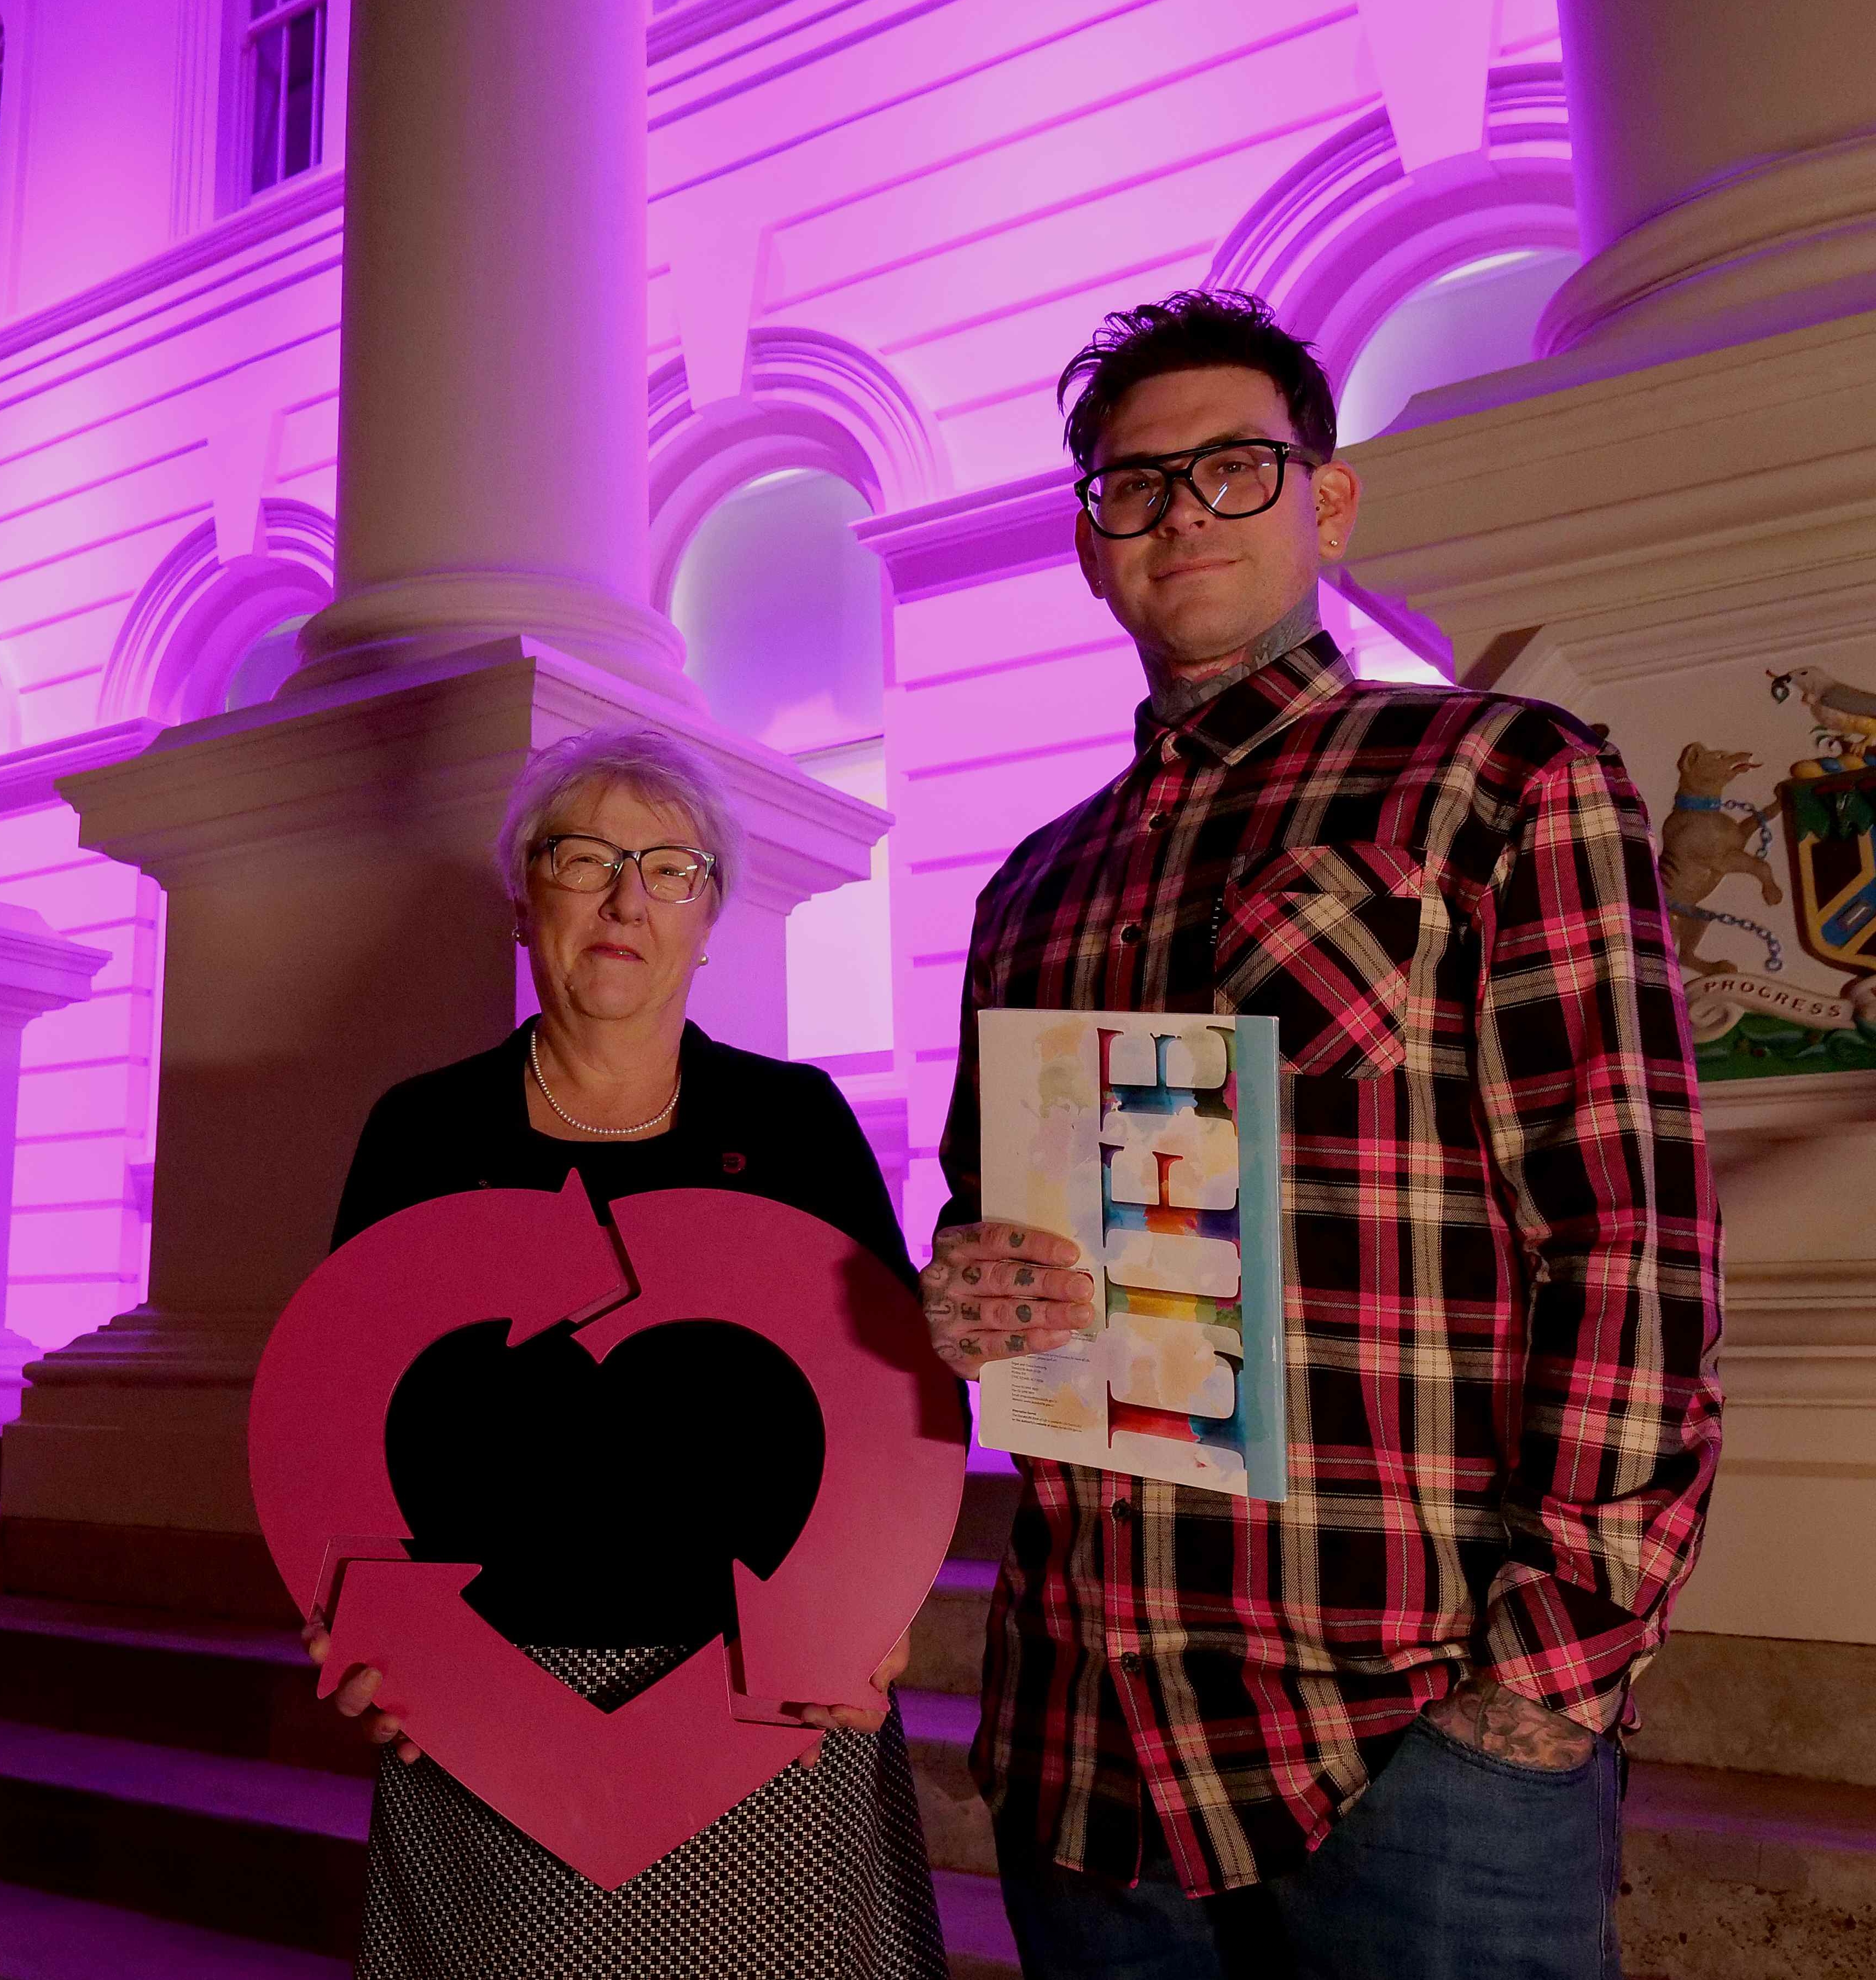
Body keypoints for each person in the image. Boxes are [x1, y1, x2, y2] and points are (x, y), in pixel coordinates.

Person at [921, 289, 1723, 1979]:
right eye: (1136, 487)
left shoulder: (1499, 778)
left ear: (1326, 502)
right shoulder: (1029, 887)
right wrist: (968, 1293)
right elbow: (991, 1222)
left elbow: (1630, 1234)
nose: (1183, 513)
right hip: (1091, 1741)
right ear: (1090, 546)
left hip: (1405, 1732)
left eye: (1235, 467)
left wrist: (1553, 1666)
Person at [310, 724, 949, 1979]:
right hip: (483, 1711)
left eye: (671, 867)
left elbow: (894, 1400)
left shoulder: (794, 1124)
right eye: (585, 856)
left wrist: (881, 1601)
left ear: (711, 919)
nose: (625, 898)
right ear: (521, 891)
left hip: (760, 1700)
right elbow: (338, 1418)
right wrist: (348, 1620)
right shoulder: (424, 1133)